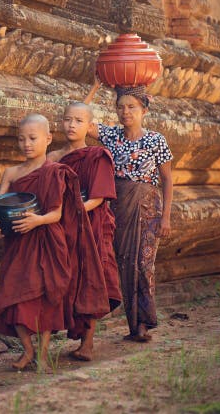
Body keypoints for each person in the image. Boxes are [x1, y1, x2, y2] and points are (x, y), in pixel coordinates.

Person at [0, 114, 103, 371]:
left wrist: (36, 221)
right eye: (21, 139)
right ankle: (28, 350)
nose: (27, 144)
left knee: (45, 300)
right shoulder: (11, 172)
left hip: (45, 240)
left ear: (47, 139)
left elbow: (56, 214)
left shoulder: (54, 171)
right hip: (17, 242)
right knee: (11, 294)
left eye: (33, 138)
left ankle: (44, 357)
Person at [84, 80, 174, 342]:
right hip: (118, 208)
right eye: (121, 107)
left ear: (144, 110)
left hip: (148, 209)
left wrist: (166, 217)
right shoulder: (111, 135)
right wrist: (95, 87)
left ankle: (144, 322)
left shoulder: (156, 140)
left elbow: (167, 179)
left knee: (144, 265)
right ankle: (134, 326)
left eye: (131, 107)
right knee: (123, 264)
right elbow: (79, 116)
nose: (125, 112)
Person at [48, 102, 121, 361]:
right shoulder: (54, 157)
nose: (72, 125)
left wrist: (74, 213)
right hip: (62, 226)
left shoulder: (97, 155)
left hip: (91, 224)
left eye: (79, 121)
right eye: (68, 119)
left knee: (91, 278)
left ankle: (87, 344)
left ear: (89, 126)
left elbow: (99, 197)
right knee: (68, 278)